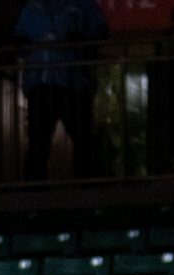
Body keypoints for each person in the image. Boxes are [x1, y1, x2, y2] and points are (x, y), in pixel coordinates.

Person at [14, 0, 109, 181]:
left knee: (82, 139)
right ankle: (34, 192)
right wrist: (21, 43)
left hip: (73, 82)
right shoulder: (31, 8)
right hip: (40, 82)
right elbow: (19, 39)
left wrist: (84, 41)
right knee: (38, 140)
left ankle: (90, 188)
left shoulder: (83, 4)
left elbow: (101, 32)